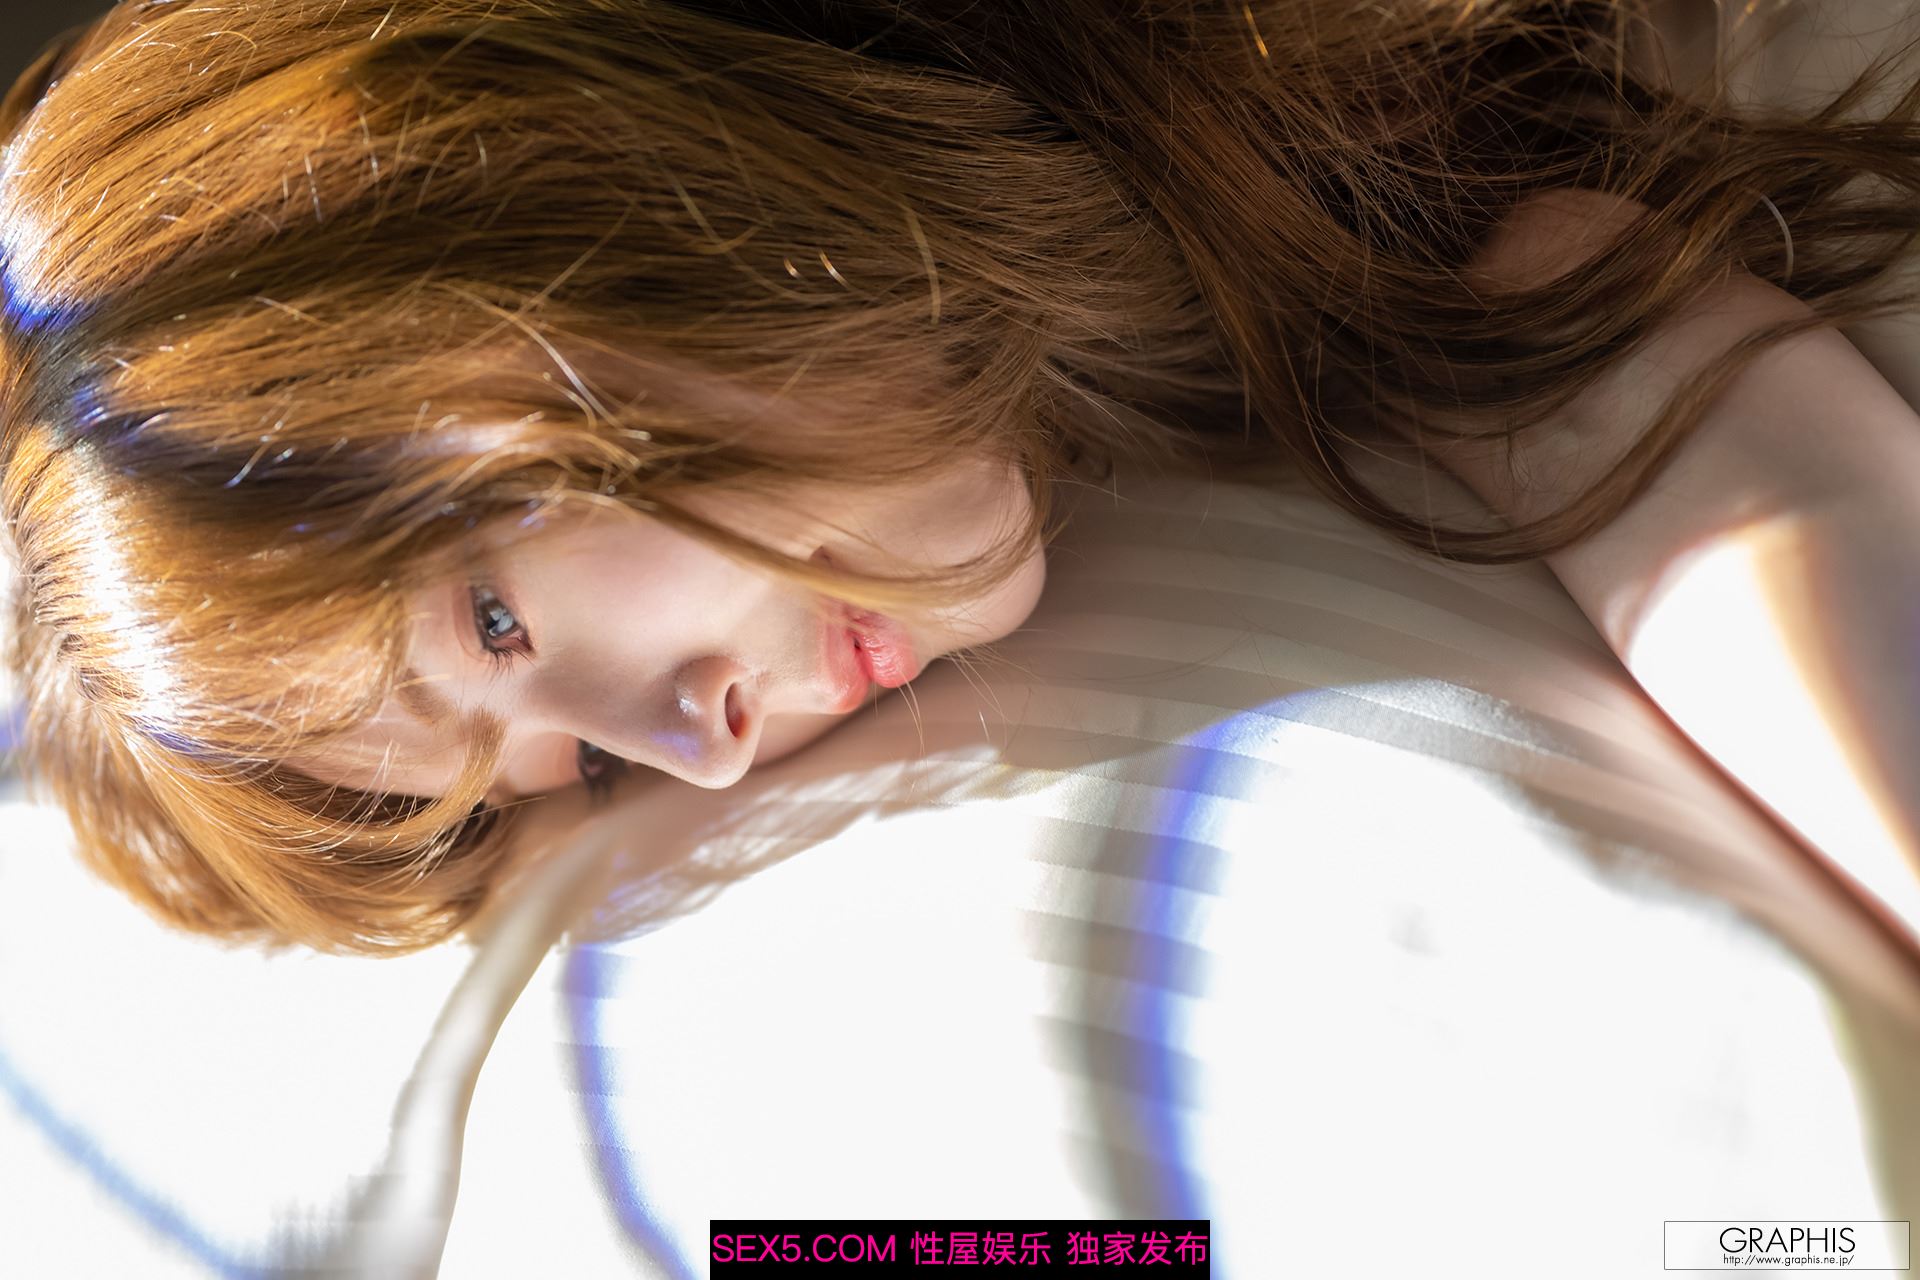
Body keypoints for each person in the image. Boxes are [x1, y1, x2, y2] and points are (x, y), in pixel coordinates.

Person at [4, 0, 1919, 955]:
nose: (701, 752)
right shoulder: (1320, 262)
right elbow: (1608, 367)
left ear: (516, 237)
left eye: (496, 629)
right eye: (576, 769)